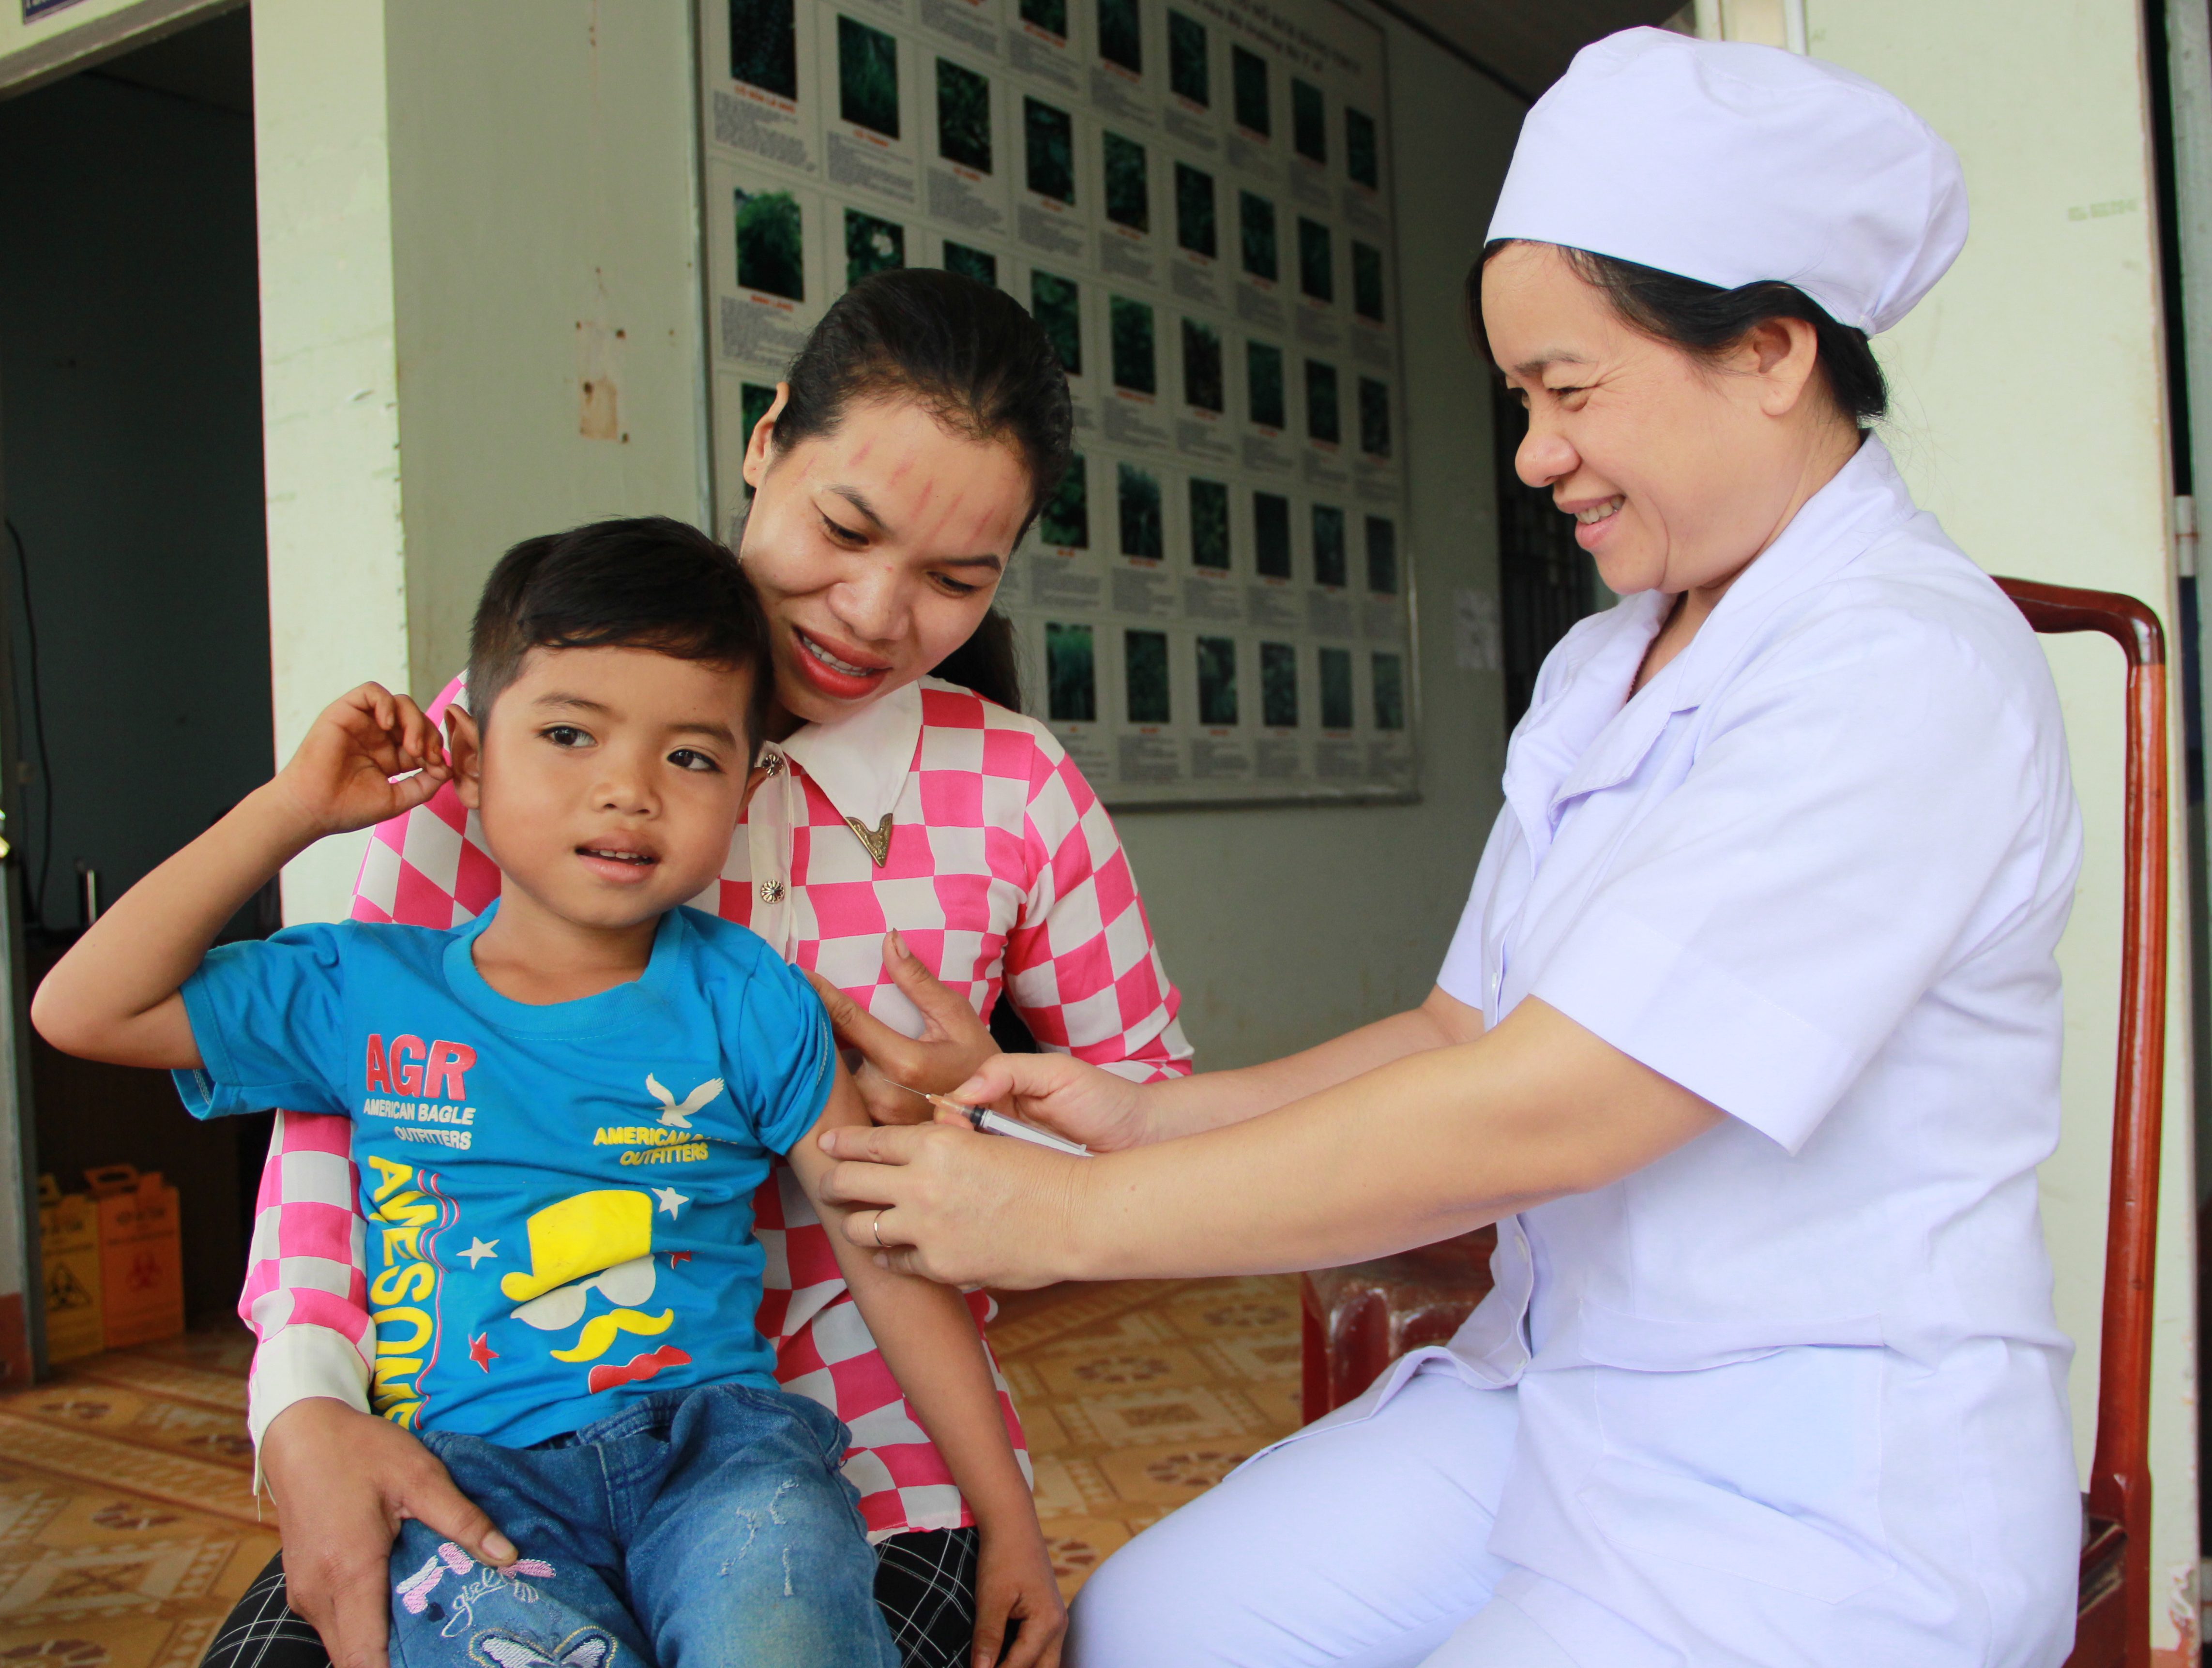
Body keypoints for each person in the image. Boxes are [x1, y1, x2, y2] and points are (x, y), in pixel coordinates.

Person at [815, 30, 2087, 1668]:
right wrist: (1137, 1115)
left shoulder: (1903, 667)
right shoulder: (1606, 664)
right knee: (1147, 1627)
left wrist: (1059, 1224)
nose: (1537, 453)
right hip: (1559, 1396)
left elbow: (1557, 1101)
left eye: (1571, 392)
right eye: (1521, 401)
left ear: (1772, 350)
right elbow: (1461, 1033)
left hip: (1815, 1476)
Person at [206, 269, 1188, 1668]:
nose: (869, 609)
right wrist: (301, 1402)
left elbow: (1149, 1121)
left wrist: (981, 1110)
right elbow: (349, 1096)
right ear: (767, 436)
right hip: (495, 1435)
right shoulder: (504, 745)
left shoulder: (1019, 794)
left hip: (874, 1464)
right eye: (844, 526)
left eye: (955, 579)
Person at [30, 520, 1057, 1668]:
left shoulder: (751, 998)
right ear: (467, 757)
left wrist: (1009, 1517)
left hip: (720, 1455)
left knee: (783, 1634)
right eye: (568, 733)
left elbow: (884, 1244)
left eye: (691, 756)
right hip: (468, 1480)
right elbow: (82, 1009)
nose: (626, 791)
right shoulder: (365, 987)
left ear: (744, 785)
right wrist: (293, 808)